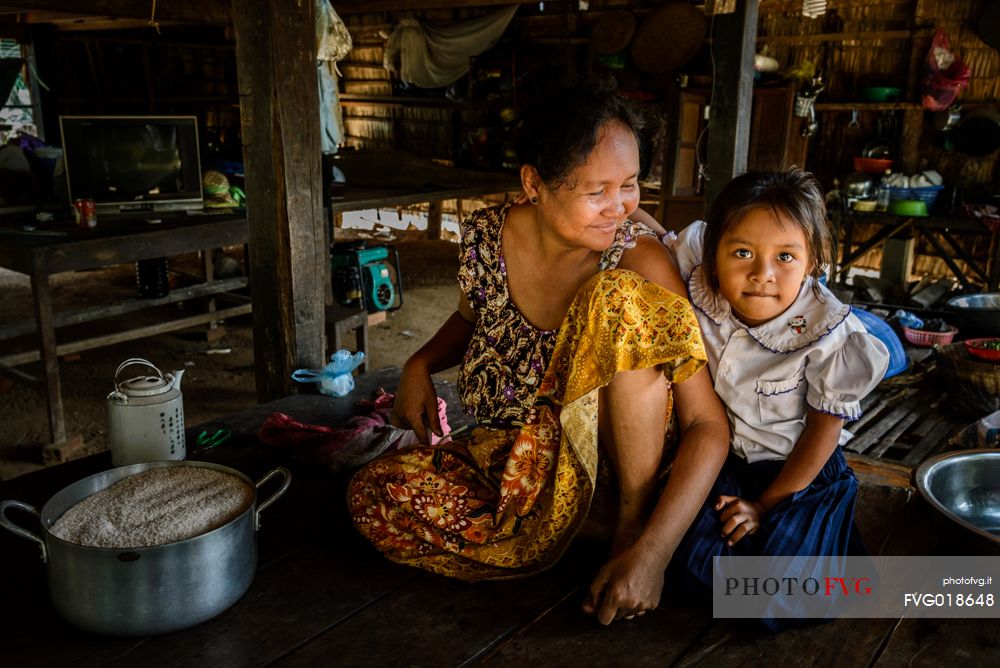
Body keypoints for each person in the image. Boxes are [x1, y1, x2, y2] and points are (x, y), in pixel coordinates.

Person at [348, 80, 729, 626]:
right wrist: (419, 364)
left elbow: (707, 425)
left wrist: (651, 555)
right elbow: (473, 317)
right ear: (534, 183)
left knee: (612, 298)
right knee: (373, 493)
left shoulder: (638, 264)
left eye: (630, 184)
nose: (619, 207)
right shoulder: (486, 236)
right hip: (522, 463)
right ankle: (565, 524)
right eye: (597, 191)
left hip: (626, 479)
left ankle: (626, 530)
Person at [660, 169, 890, 629]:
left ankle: (832, 553)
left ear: (811, 263)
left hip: (797, 474)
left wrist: (766, 506)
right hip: (727, 466)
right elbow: (651, 236)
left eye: (785, 256)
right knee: (685, 568)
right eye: (742, 252)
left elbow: (823, 434)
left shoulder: (831, 336)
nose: (762, 274)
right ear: (713, 254)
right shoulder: (699, 275)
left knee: (773, 600)